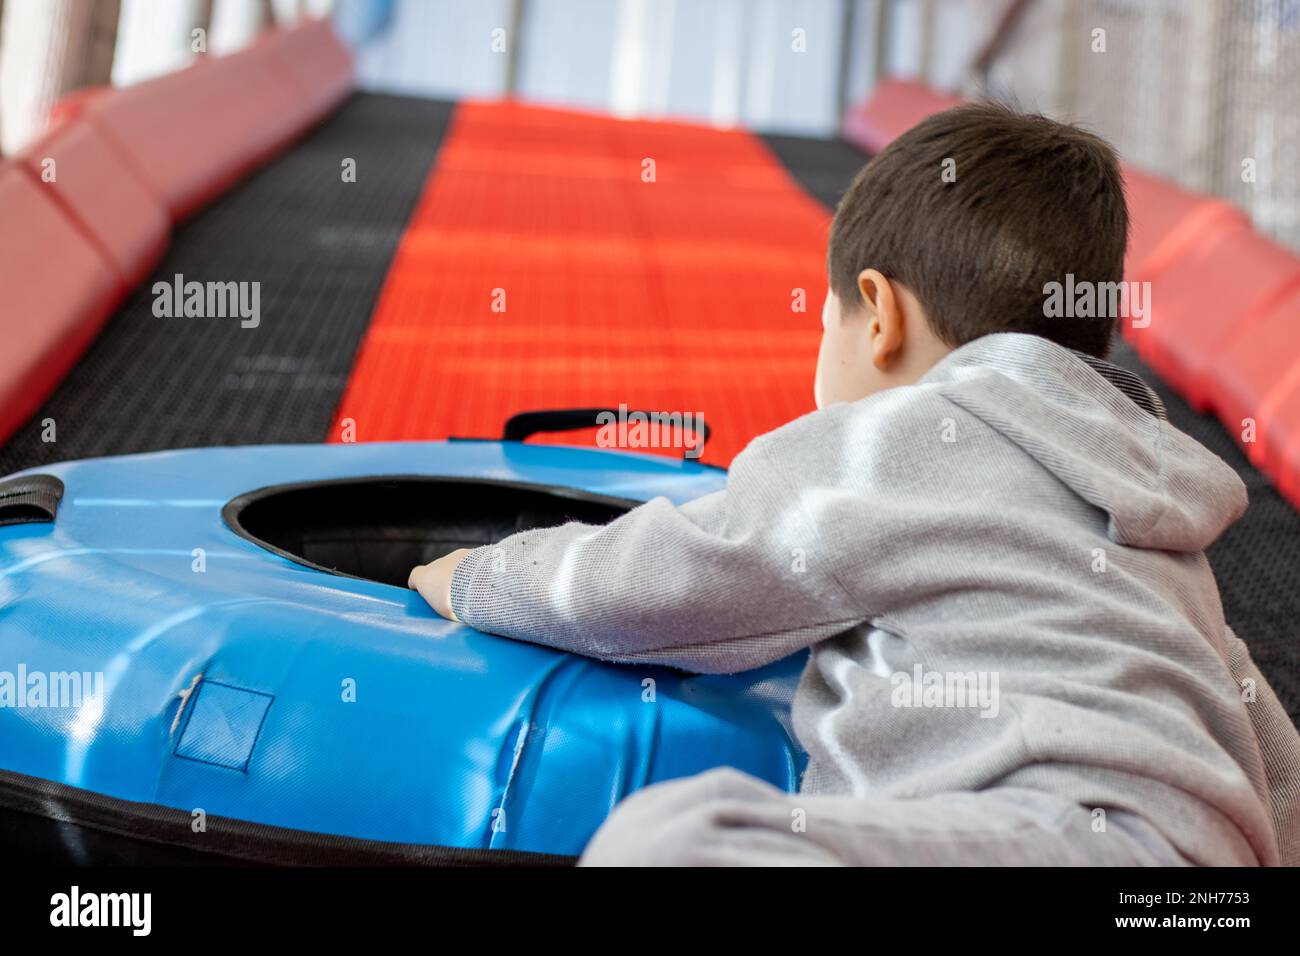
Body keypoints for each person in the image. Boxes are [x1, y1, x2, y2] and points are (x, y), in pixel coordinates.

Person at [410, 103, 1300, 866]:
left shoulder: (890, 440)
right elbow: (1270, 749)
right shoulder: (1155, 510)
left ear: (879, 315)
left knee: (676, 840)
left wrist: (472, 576)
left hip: (1051, 839)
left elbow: (666, 578)